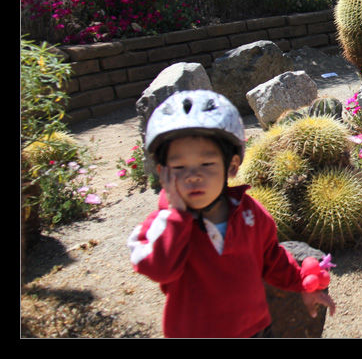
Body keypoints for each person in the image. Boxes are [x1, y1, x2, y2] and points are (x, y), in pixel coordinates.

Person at [127, 90, 336, 338]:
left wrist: (300, 282)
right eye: (179, 166)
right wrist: (176, 217)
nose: (193, 175)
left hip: (254, 329)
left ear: (233, 166)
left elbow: (271, 256)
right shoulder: (161, 224)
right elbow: (158, 268)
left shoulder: (250, 212)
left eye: (207, 164)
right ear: (163, 173)